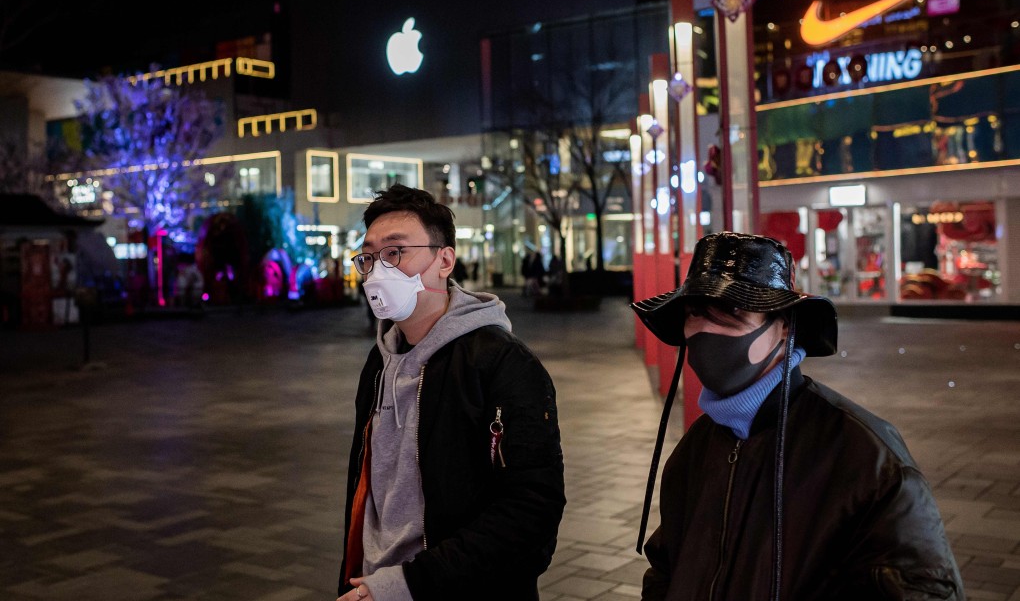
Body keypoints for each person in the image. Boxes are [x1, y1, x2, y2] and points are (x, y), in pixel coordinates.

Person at [630, 232, 963, 601]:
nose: (706, 332)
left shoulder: (866, 458)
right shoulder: (694, 450)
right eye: (695, 314)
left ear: (784, 325)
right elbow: (665, 569)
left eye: (731, 313)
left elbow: (924, 589)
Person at [338, 184, 565, 601]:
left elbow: (531, 513)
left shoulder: (502, 364)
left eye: (395, 252)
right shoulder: (379, 363)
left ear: (444, 260)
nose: (377, 270)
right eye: (368, 257)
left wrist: (411, 584)